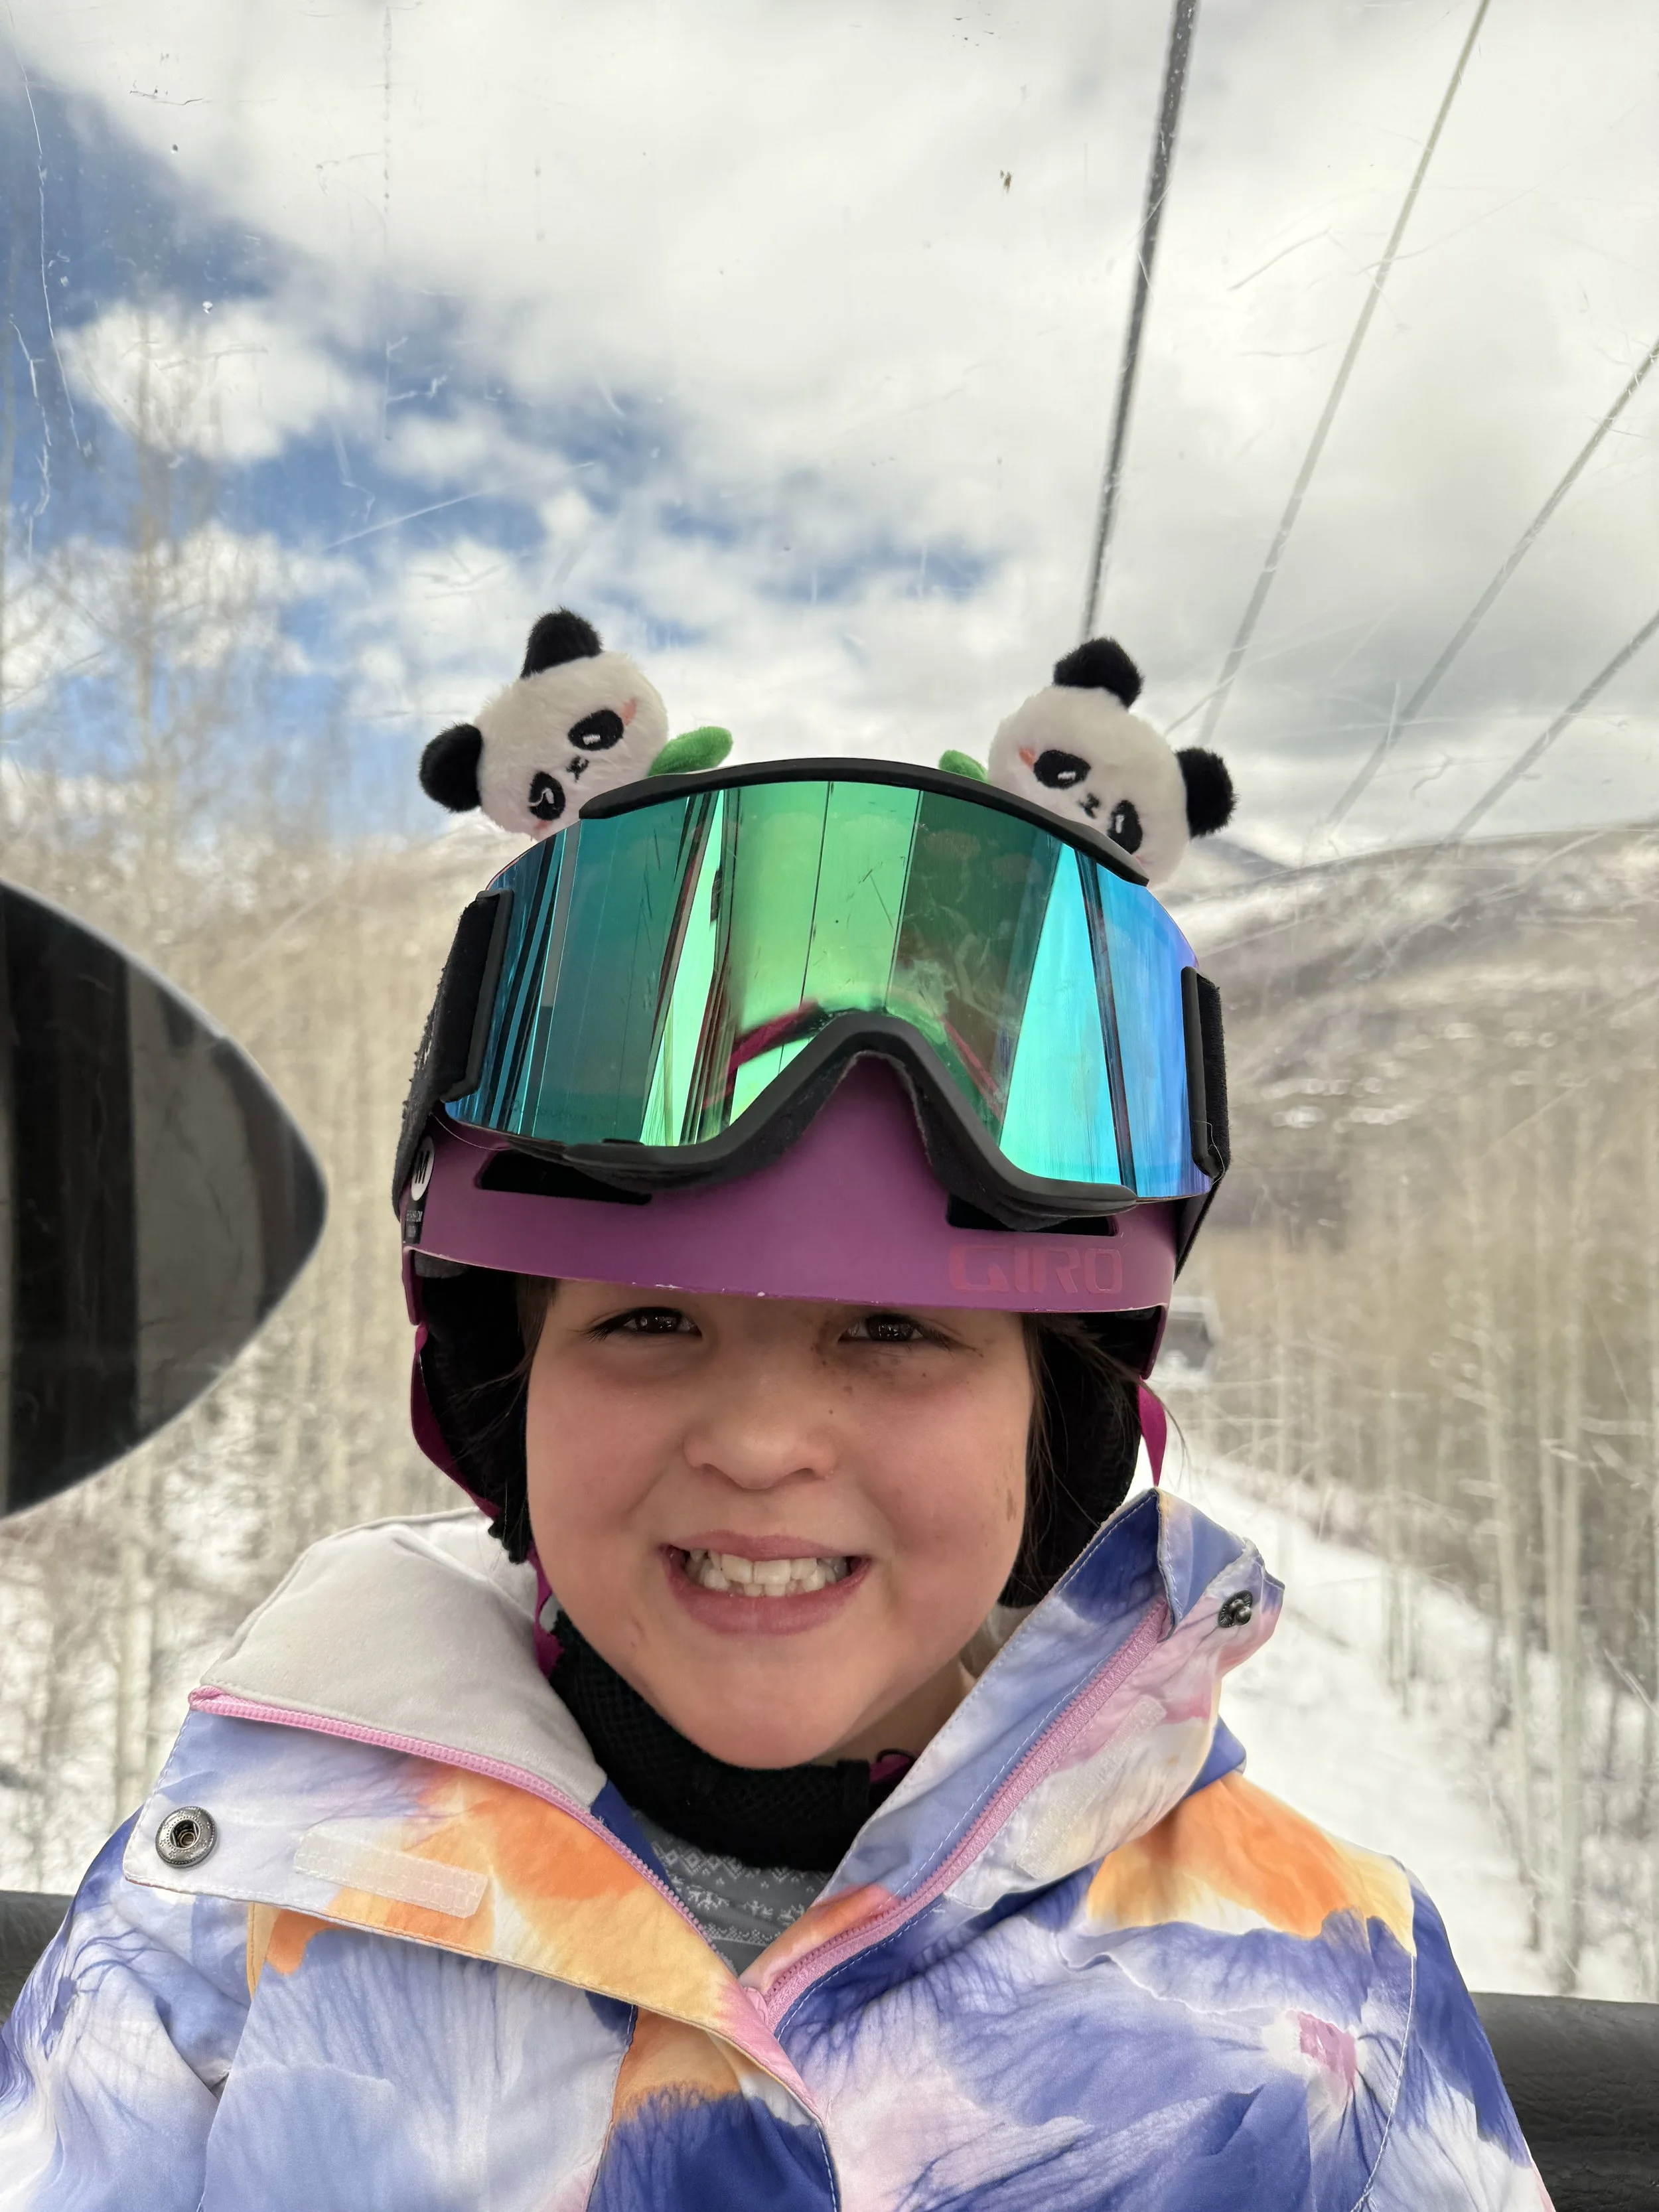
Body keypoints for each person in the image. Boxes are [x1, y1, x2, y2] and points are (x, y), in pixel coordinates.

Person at [0, 761, 1546, 2207]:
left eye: (891, 1330)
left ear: (1054, 1428)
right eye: (648, 1320)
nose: (757, 1440)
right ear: (497, 1401)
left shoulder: (1332, 1978)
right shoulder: (225, 1910)